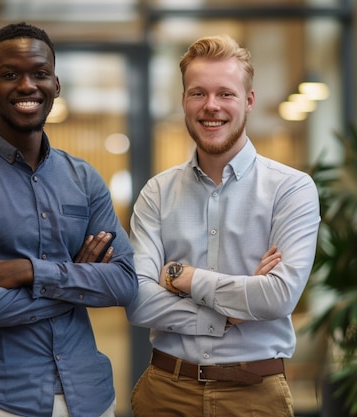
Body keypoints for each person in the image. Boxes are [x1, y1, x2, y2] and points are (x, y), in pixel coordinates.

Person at [0, 22, 138, 417]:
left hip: (91, 399)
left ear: (56, 84)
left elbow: (124, 283)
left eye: (39, 73)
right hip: (0, 401)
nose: (27, 85)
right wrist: (74, 279)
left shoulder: (84, 178)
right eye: (10, 75)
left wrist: (28, 272)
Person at [125, 34, 320, 417]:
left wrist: (186, 278)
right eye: (198, 93)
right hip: (166, 392)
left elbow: (279, 296)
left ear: (249, 101)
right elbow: (137, 300)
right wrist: (230, 312)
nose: (211, 106)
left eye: (225, 94)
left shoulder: (291, 189)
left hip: (255, 397)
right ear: (184, 101)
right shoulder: (157, 192)